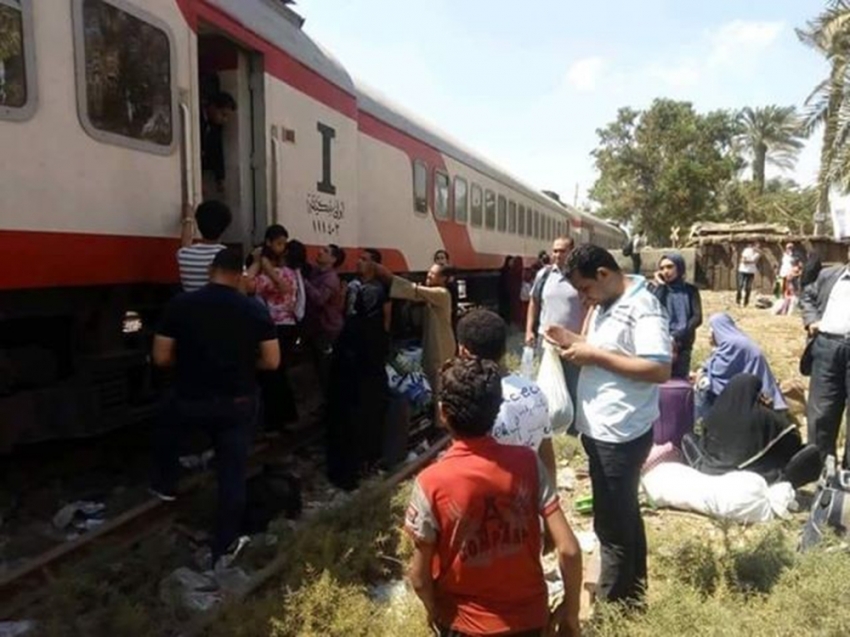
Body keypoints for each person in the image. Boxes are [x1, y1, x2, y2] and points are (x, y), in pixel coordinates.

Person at [405, 356, 581, 637]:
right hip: (529, 622)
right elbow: (569, 550)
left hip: (463, 624)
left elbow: (419, 577)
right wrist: (571, 614)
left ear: (442, 413)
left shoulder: (430, 483)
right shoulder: (527, 463)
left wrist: (434, 611)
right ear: (497, 408)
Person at [544, 244, 671, 608]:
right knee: (624, 512)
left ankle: (613, 610)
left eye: (585, 289)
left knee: (612, 526)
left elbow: (659, 368)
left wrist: (593, 355)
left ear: (603, 274)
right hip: (603, 429)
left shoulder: (643, 308)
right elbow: (609, 348)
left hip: (621, 432)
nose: (584, 298)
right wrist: (574, 341)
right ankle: (633, 595)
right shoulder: (608, 301)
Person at [150, 249, 280, 566]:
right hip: (236, 403)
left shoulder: (181, 305)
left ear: (211, 270)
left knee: (166, 418)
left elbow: (161, 358)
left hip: (190, 400)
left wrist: (194, 362)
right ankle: (223, 545)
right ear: (240, 275)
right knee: (232, 473)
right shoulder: (253, 309)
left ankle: (165, 484)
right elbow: (272, 361)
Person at [456, 309, 556, 480]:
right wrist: (550, 493)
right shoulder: (534, 391)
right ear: (504, 349)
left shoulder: (470, 400)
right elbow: (546, 452)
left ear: (463, 351)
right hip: (529, 492)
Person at [682, 374, 821, 488]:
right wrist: (771, 410)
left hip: (709, 470)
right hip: (748, 476)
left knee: (689, 437)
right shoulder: (765, 416)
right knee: (810, 453)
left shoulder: (712, 414)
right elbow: (793, 441)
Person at [326, 249, 391, 490]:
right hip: (356, 355)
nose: (359, 262)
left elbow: (384, 322)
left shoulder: (377, 290)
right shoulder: (354, 287)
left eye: (365, 259)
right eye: (360, 258)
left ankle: (360, 461)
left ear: (374, 265)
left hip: (363, 355)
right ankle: (359, 461)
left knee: (359, 411)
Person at [374, 262, 456, 396]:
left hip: (441, 345)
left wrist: (388, 276)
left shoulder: (442, 293)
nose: (429, 275)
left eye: (433, 274)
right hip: (436, 343)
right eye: (429, 272)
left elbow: (413, 290)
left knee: (439, 385)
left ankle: (439, 415)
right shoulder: (433, 294)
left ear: (443, 279)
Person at [801, 245, 850, 466]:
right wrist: (811, 320)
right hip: (827, 348)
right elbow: (808, 295)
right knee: (821, 413)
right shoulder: (829, 276)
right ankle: (820, 470)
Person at [249, 225, 300, 432]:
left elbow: (246, 284)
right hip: (287, 327)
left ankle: (276, 420)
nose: (281, 248)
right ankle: (285, 417)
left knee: (271, 375)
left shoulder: (274, 275)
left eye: (283, 244)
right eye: (279, 243)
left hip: (274, 328)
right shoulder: (290, 273)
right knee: (278, 373)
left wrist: (256, 263)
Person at [525, 237, 584, 410]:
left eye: (562, 251)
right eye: (555, 250)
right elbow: (534, 302)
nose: (557, 254)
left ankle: (572, 423)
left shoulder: (580, 277)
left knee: (572, 383)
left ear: (572, 252)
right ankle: (549, 419)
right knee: (547, 383)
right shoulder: (544, 275)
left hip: (572, 341)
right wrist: (529, 330)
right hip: (547, 341)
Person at [694, 313, 786, 421]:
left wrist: (701, 376)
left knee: (704, 388)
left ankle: (706, 425)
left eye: (711, 329)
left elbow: (719, 375)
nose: (709, 334)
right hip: (754, 394)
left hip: (757, 399)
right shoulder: (733, 341)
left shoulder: (732, 343)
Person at [649, 253, 703, 379]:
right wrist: (661, 286)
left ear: (679, 267)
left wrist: (675, 337)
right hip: (659, 342)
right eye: (662, 268)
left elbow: (697, 317)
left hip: (683, 344)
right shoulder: (654, 288)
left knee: (678, 383)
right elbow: (652, 309)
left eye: (669, 267)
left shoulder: (690, 290)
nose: (665, 271)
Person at [303, 244, 346, 390]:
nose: (320, 252)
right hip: (317, 327)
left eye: (325, 251)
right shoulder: (316, 272)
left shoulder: (330, 279)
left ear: (333, 259)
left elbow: (320, 300)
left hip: (327, 329)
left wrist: (305, 283)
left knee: (324, 367)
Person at [177, 200, 232, 293]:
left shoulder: (183, 255)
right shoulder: (228, 256)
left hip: (192, 306)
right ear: (225, 227)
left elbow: (186, 242)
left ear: (198, 225)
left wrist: (188, 218)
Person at [201, 91, 237, 198]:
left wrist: (220, 178)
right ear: (212, 107)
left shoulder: (216, 126)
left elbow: (217, 150)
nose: (224, 120)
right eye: (223, 115)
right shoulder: (197, 118)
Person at [736, 240, 761, 308]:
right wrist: (750, 261)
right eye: (757, 246)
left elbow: (754, 261)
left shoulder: (758, 254)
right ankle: (738, 300)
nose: (758, 248)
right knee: (740, 285)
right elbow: (743, 260)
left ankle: (746, 302)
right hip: (742, 270)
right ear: (753, 246)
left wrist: (748, 261)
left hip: (751, 272)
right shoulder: (747, 250)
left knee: (748, 287)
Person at [498, 256, 514, 322]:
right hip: (504, 292)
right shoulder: (505, 271)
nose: (512, 263)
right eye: (511, 261)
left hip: (507, 292)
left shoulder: (511, 270)